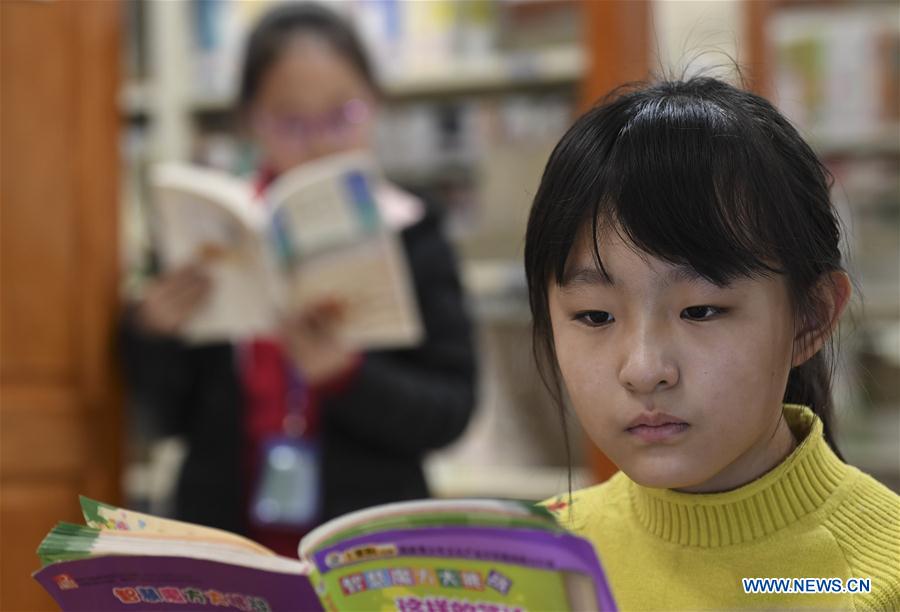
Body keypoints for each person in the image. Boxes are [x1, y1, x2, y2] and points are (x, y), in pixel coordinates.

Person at [525, 77, 899, 609]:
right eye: (594, 316)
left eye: (700, 310)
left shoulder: (870, 582)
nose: (644, 368)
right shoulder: (531, 567)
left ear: (810, 317)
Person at [122, 2, 476, 556]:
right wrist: (153, 331)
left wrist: (347, 375)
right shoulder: (209, 231)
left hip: (371, 542)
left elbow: (451, 410)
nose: (318, 141)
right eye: (290, 122)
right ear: (247, 121)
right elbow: (165, 417)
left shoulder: (413, 231)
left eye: (342, 115)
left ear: (376, 104)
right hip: (225, 535)